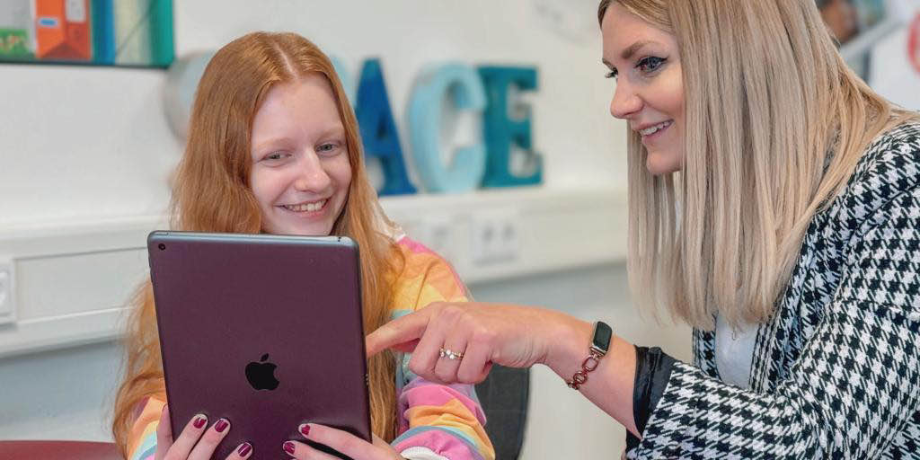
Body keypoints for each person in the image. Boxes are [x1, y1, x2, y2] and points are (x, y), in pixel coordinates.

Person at [366, 0, 920, 458]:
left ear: (742, 52)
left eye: (648, 63)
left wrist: (565, 341)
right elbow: (727, 436)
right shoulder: (745, 213)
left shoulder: (903, 178)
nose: (619, 103)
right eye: (615, 72)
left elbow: (814, 442)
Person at [111, 32, 495, 460]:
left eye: (329, 147)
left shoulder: (416, 278)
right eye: (277, 156)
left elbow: (456, 428)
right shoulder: (183, 286)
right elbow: (152, 415)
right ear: (227, 172)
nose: (316, 179)